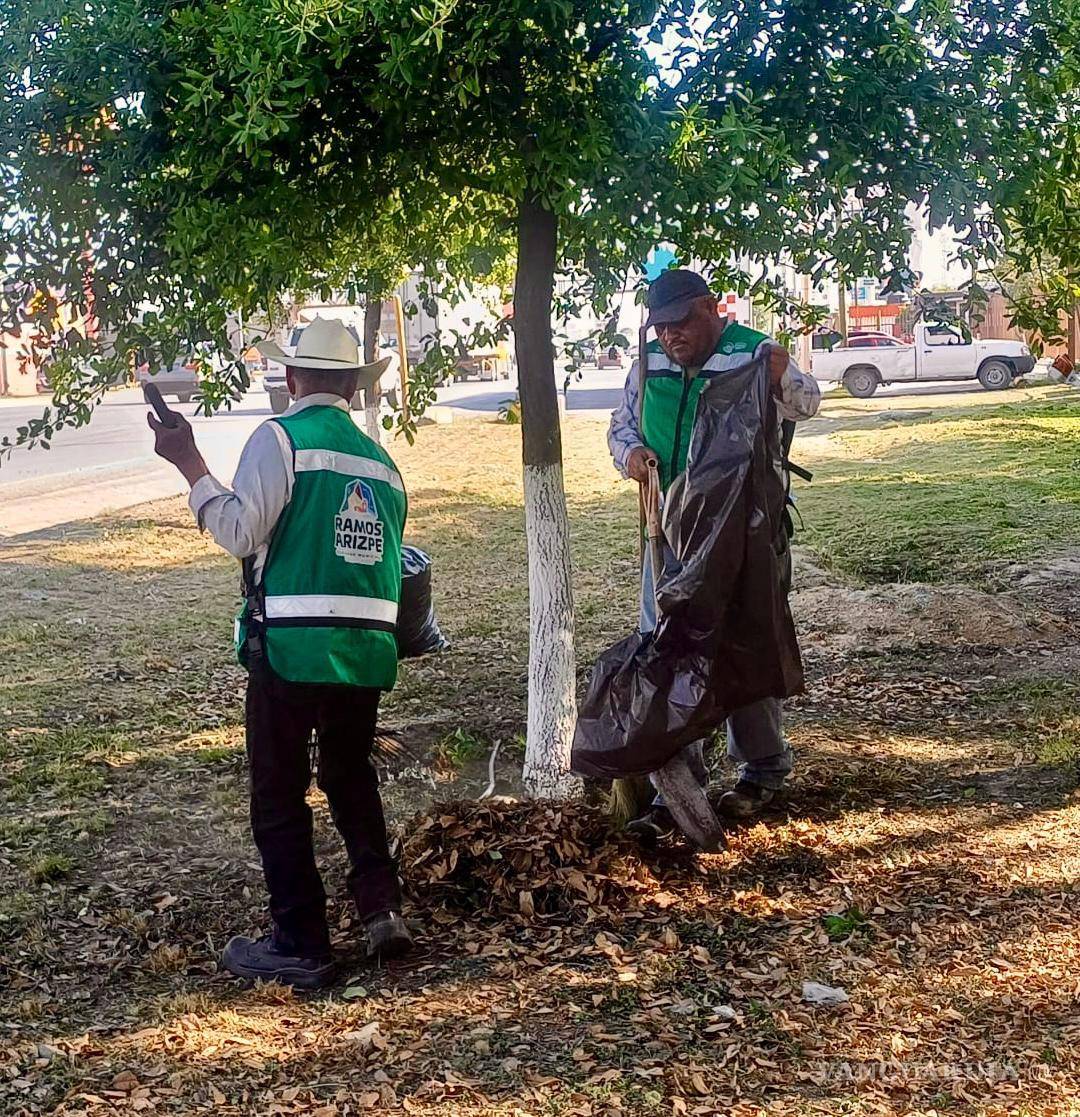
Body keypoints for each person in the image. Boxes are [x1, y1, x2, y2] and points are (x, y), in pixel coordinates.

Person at [148, 317, 413, 989]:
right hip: (364, 656)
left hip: (291, 650)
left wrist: (190, 465)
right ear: (354, 385)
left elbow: (241, 531)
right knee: (351, 776)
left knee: (278, 793)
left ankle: (301, 941)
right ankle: (380, 904)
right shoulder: (383, 464)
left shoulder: (280, 439)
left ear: (291, 380)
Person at [608, 269, 820, 838]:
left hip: (744, 532)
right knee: (670, 647)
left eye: (681, 323)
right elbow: (621, 426)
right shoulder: (648, 365)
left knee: (746, 643)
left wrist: (782, 379)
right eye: (662, 327)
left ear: (711, 310)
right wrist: (629, 455)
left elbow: (808, 403)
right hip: (670, 533)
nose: (672, 336)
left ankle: (762, 771)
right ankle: (676, 787)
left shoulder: (754, 353)